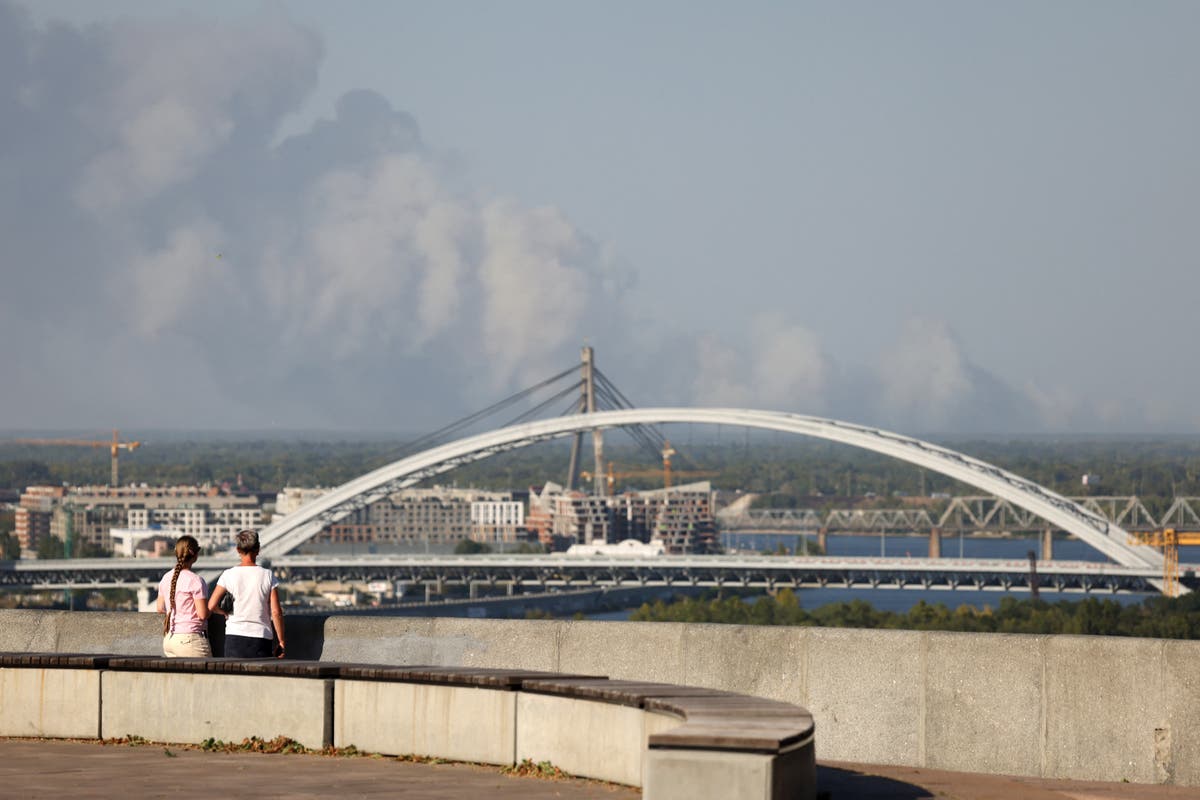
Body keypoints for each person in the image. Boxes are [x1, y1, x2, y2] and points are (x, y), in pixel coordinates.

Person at [208, 529, 286, 658]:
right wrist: (282, 641)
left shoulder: (228, 574)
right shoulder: (268, 575)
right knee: (259, 677)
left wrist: (224, 612)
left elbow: (211, 605)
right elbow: (276, 612)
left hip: (234, 637)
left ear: (238, 550)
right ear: (258, 549)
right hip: (261, 638)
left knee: (234, 677)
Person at [156, 535, 211, 657]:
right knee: (206, 676)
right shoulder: (196, 580)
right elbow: (202, 615)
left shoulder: (166, 578)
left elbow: (160, 608)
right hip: (190, 640)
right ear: (195, 555)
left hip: (170, 639)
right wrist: (211, 608)